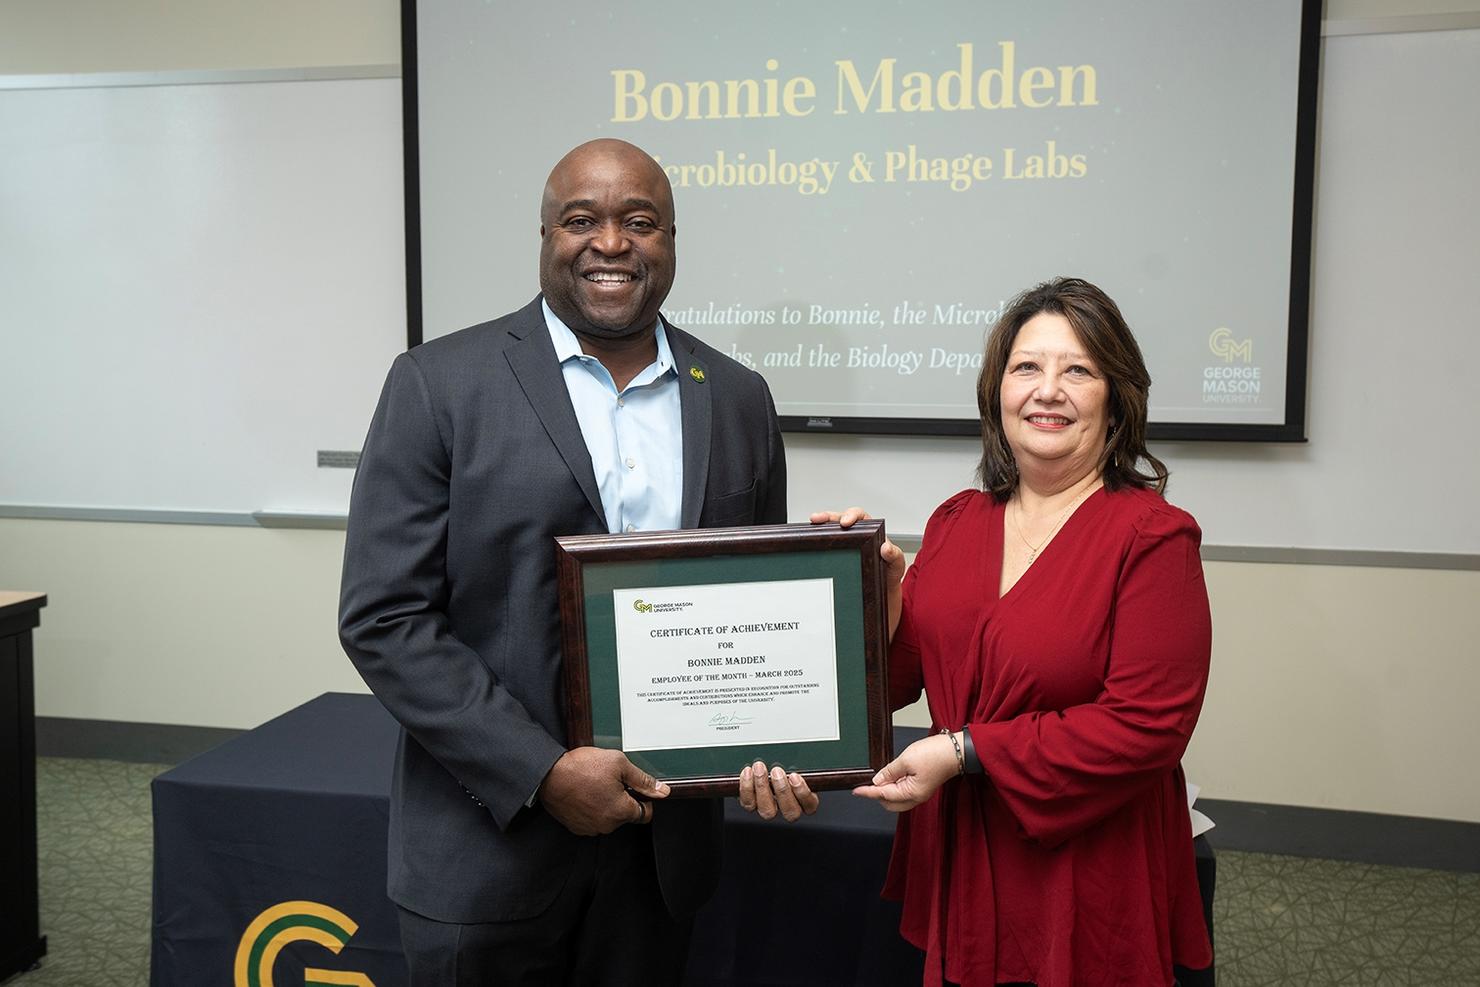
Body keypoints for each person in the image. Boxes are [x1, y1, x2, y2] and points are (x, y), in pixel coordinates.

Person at [338, 138, 814, 987]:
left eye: (641, 221)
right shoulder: (438, 383)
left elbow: (754, 603)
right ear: (546, 235)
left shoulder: (739, 396)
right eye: (581, 220)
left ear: (671, 239)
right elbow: (385, 616)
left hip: (662, 860)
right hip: (488, 850)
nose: (612, 243)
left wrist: (781, 731)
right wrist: (542, 771)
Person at [845, 277, 1214, 987]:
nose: (1048, 391)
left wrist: (963, 751)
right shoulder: (957, 521)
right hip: (964, 848)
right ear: (997, 392)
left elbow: (1148, 726)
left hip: (1085, 861)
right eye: (1027, 368)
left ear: (1116, 398)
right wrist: (876, 592)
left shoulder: (1155, 537)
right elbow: (897, 681)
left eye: (1077, 370)